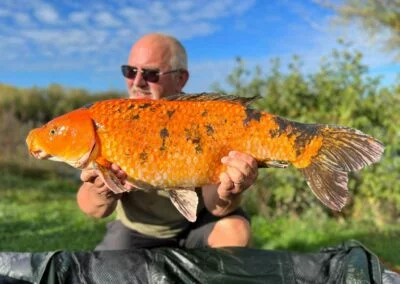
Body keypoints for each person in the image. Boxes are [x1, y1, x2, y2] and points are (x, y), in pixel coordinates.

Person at [77, 33, 259, 250]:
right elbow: (92, 209)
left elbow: (218, 208)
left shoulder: (203, 118)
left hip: (196, 223)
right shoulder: (113, 120)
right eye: (130, 71)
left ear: (181, 79)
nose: (137, 82)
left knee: (235, 232)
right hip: (138, 229)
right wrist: (102, 189)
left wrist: (232, 188)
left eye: (151, 74)